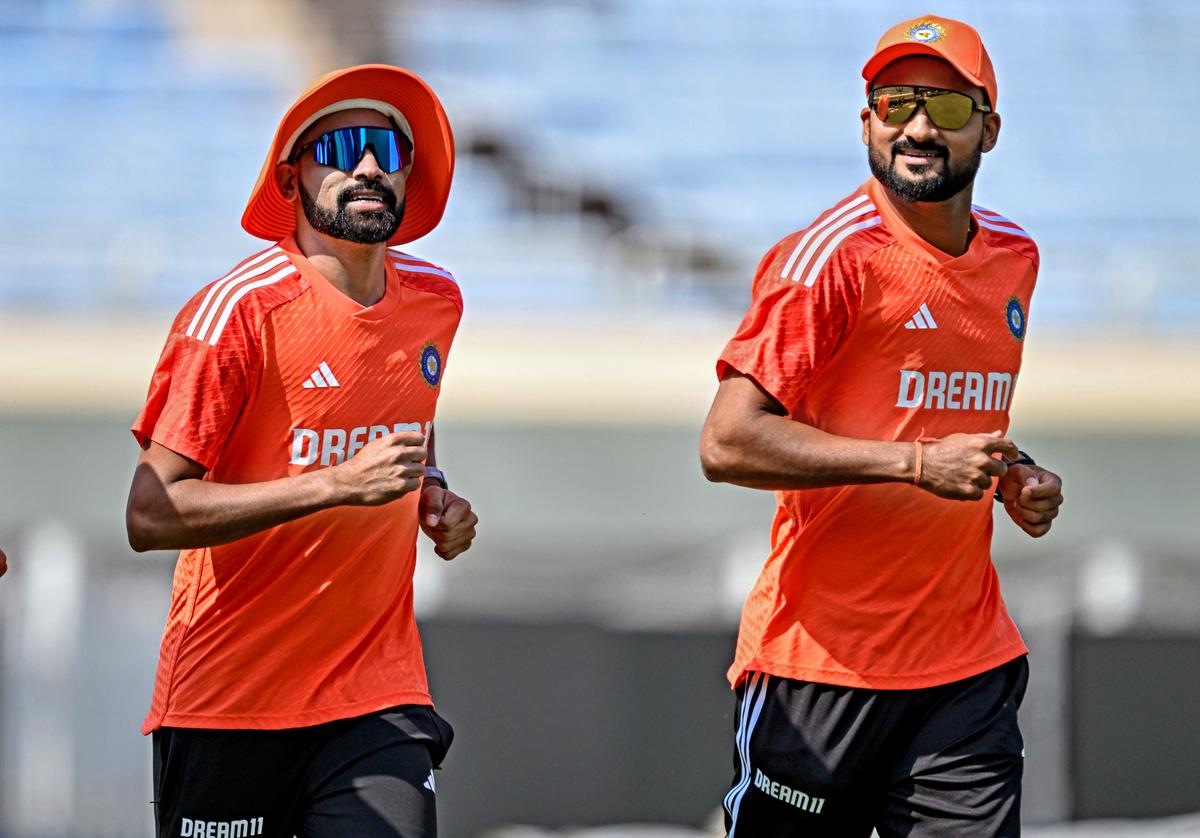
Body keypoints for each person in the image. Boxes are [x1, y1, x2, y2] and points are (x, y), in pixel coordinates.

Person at [700, 15, 1064, 837]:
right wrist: (915, 465)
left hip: (964, 668)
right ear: (866, 120)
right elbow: (726, 441)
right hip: (818, 670)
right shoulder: (828, 258)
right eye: (896, 101)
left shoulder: (1015, 257)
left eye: (945, 105)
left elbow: (940, 412)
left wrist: (1015, 471)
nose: (918, 126)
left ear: (990, 128)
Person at [126, 65, 477, 838]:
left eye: (387, 148)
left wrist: (432, 492)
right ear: (292, 180)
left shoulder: (438, 300)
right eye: (343, 147)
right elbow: (149, 512)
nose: (368, 167)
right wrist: (334, 485)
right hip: (229, 696)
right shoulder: (236, 314)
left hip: (374, 692)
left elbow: (401, 422)